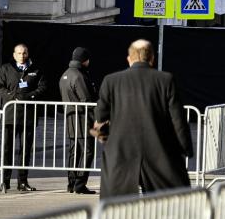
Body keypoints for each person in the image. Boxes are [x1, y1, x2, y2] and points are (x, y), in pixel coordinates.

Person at [93, 40, 193, 198]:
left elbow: (100, 116)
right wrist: (185, 148)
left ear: (129, 59)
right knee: (168, 204)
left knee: (117, 207)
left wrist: (104, 140)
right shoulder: (165, 80)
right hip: (158, 152)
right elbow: (178, 119)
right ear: (152, 58)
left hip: (121, 153)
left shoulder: (111, 81)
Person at [0, 44, 47, 191]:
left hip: (28, 116)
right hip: (10, 114)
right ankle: (4, 181)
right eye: (19, 53)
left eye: (24, 53)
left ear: (27, 53)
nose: (22, 56)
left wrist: (29, 96)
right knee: (7, 149)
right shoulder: (6, 68)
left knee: (25, 150)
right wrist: (12, 96)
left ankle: (22, 182)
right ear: (14, 55)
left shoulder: (36, 69)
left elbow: (42, 87)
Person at [59, 47, 97, 194]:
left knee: (74, 151)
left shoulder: (66, 74)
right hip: (83, 119)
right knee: (87, 151)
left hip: (71, 118)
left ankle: (72, 183)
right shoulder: (79, 76)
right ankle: (80, 184)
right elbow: (86, 99)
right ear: (84, 60)